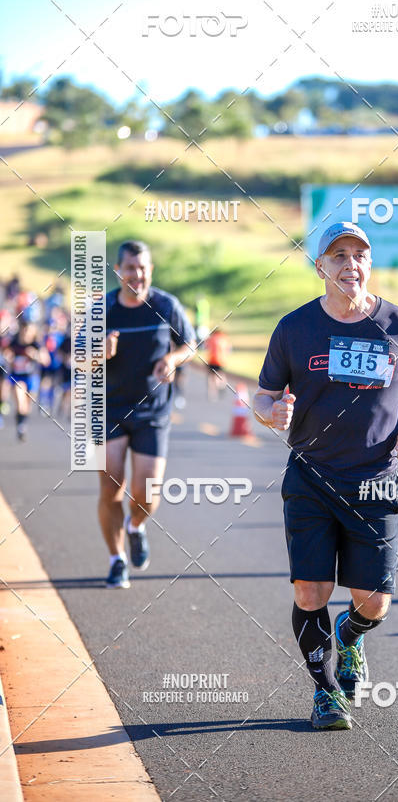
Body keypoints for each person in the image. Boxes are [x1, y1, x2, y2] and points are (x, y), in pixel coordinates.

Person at [253, 222, 398, 730]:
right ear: (321, 267)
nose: (350, 264)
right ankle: (326, 693)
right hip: (310, 477)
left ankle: (350, 638)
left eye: (359, 255)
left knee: (373, 604)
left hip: (376, 479)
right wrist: (270, 413)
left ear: (369, 264)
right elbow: (263, 393)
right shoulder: (295, 327)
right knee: (310, 593)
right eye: (338, 256)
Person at [101, 240, 195, 588]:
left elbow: (190, 344)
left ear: (150, 271)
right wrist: (100, 353)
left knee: (146, 494)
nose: (136, 275)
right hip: (109, 409)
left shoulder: (166, 306)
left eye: (142, 268)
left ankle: (135, 525)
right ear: (118, 271)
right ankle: (116, 560)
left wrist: (171, 359)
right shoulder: (102, 309)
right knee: (111, 488)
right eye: (129, 268)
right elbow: (76, 360)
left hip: (152, 411)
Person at [5, 320, 49, 440]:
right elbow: (6, 353)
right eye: (24, 330)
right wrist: (9, 357)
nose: (26, 333)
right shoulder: (14, 342)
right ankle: (20, 427)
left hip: (32, 377)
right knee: (20, 402)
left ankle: (22, 423)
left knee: (26, 407)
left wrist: (35, 355)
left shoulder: (36, 344)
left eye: (28, 331)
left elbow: (46, 361)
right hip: (17, 377)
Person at [204, 327, 231, 400]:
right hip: (221, 360)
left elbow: (206, 347)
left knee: (211, 376)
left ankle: (212, 393)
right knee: (220, 374)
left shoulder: (211, 338)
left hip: (212, 360)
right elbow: (228, 349)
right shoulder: (224, 338)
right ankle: (222, 386)